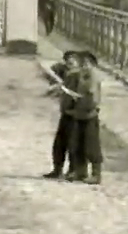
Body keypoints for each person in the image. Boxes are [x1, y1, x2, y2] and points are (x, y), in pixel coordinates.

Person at [59, 50, 105, 185]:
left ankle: (96, 175)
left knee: (92, 145)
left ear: (92, 64)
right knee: (77, 144)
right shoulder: (81, 76)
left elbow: (92, 97)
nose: (83, 65)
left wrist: (81, 102)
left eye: (86, 63)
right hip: (79, 115)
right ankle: (80, 172)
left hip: (89, 115)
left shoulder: (93, 77)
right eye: (82, 63)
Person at [43, 51, 82, 179]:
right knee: (59, 143)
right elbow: (49, 71)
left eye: (72, 62)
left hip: (76, 114)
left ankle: (73, 171)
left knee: (73, 144)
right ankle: (57, 169)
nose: (69, 64)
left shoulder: (81, 76)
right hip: (65, 112)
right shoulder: (68, 74)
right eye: (67, 62)